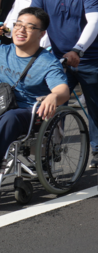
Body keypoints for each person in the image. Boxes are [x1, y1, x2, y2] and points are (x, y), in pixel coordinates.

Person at [30, 0, 98, 167]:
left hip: (92, 57)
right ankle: (51, 145)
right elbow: (36, 22)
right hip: (59, 58)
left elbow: (95, 22)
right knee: (50, 101)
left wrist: (78, 49)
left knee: (95, 105)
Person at [0, 8, 71, 161]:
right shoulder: (2, 51)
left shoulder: (47, 62)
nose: (21, 30)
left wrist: (53, 96)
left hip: (29, 114)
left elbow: (63, 90)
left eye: (30, 27)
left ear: (42, 33)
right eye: (18, 25)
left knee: (10, 117)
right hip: (2, 105)